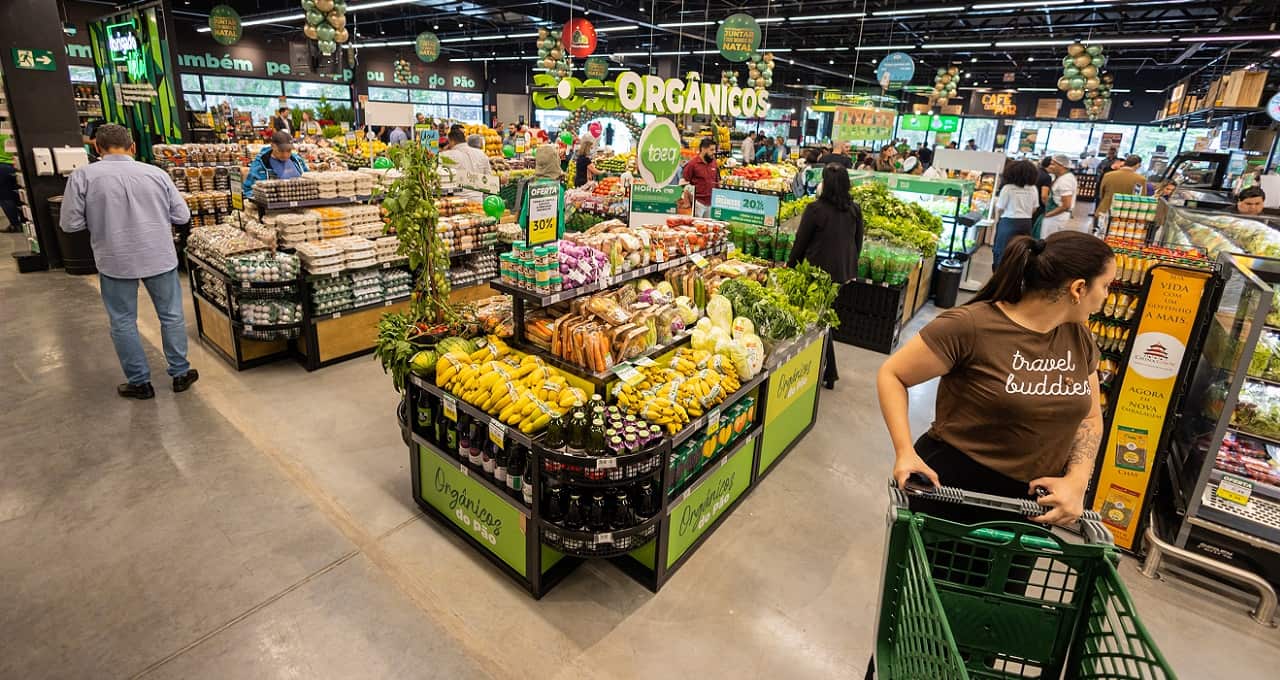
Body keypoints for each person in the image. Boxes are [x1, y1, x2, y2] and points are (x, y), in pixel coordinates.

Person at [879, 230, 1114, 523]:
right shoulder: (971, 326)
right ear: (1078, 288)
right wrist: (905, 452)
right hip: (953, 492)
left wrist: (1077, 481)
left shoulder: (1078, 336)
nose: (1106, 295)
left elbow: (1090, 417)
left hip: (1033, 506)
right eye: (1105, 285)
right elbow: (894, 374)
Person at [58, 124, 199, 399]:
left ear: (96, 147)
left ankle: (139, 382)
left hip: (115, 259)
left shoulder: (82, 177)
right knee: (171, 316)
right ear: (133, 146)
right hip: (159, 255)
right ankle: (180, 373)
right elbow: (182, 216)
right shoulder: (156, 174)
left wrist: (102, 220)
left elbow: (70, 224)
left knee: (123, 322)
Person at [788, 164, 864, 390]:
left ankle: (828, 371)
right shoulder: (854, 209)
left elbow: (800, 243)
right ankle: (828, 371)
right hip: (842, 273)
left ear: (825, 185)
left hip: (817, 273)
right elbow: (857, 242)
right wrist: (848, 266)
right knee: (824, 316)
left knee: (819, 319)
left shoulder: (815, 209)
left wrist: (790, 267)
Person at [990, 160, 1042, 269]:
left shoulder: (1008, 188)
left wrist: (998, 222)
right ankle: (1015, 274)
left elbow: (999, 208)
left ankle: (999, 275)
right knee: (1021, 251)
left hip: (1008, 223)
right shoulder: (1033, 189)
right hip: (1026, 223)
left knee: (1001, 251)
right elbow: (1034, 208)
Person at [517, 145, 566, 237]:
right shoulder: (559, 190)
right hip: (552, 242)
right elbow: (559, 226)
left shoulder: (531, 189)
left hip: (533, 239)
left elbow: (523, 222)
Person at [244, 131, 309, 197]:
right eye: (281, 151)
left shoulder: (297, 160)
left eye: (289, 151)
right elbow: (248, 190)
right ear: (272, 146)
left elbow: (308, 178)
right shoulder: (260, 164)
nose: (285, 155)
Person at [442, 127, 493, 202]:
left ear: (451, 141)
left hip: (456, 201)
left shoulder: (446, 155)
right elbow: (488, 177)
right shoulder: (481, 154)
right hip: (478, 200)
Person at [1096, 154, 1147, 231]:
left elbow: (1101, 193)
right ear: (1137, 165)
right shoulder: (1140, 179)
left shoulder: (1108, 175)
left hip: (1105, 210)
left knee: (1100, 234)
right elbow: (1140, 199)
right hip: (1125, 215)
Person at [1042, 154, 1078, 236]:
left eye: (1053, 164)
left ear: (1062, 166)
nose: (1050, 166)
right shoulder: (1060, 177)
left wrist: (1048, 214)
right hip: (1055, 214)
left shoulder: (1065, 180)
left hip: (1057, 216)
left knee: (1047, 239)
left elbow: (1066, 205)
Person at [682, 138, 719, 218]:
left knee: (707, 227)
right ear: (703, 149)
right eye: (711, 150)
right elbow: (685, 181)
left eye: (714, 150)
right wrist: (687, 200)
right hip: (698, 203)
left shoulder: (714, 163)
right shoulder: (693, 164)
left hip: (711, 202)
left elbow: (716, 181)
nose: (714, 152)